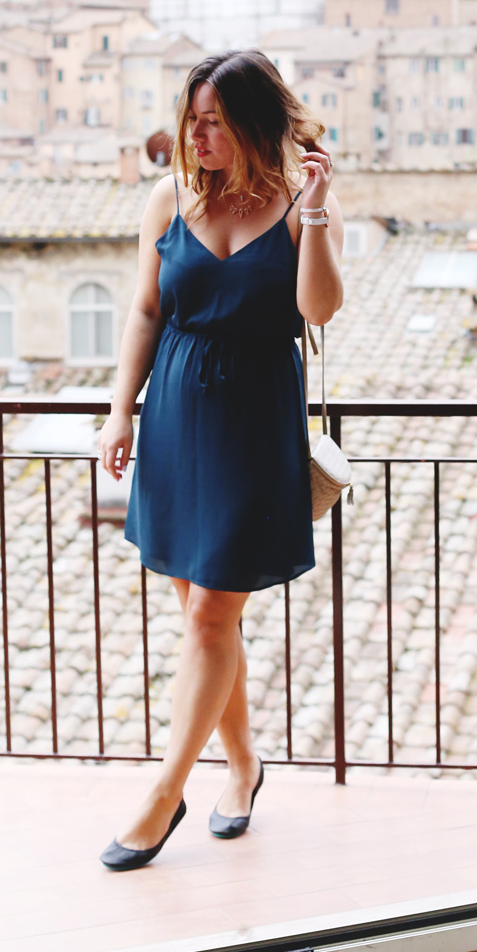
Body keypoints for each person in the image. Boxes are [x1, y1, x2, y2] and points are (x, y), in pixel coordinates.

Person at [97, 50, 343, 870]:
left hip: (253, 426)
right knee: (208, 618)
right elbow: (143, 310)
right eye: (190, 119)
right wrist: (117, 411)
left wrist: (312, 213)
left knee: (210, 617)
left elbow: (320, 308)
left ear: (250, 123)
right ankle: (242, 767)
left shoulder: (303, 203)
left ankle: (165, 793)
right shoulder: (168, 197)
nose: (195, 135)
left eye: (213, 121)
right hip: (173, 420)